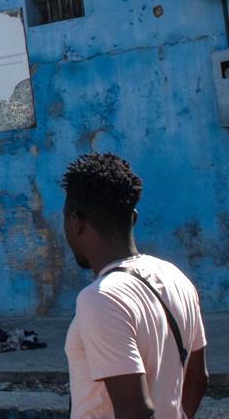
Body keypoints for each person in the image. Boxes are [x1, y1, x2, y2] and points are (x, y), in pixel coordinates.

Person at [62, 153, 208, 419]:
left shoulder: (100, 298)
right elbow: (197, 378)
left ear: (75, 222)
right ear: (134, 217)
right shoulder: (175, 277)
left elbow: (135, 411)